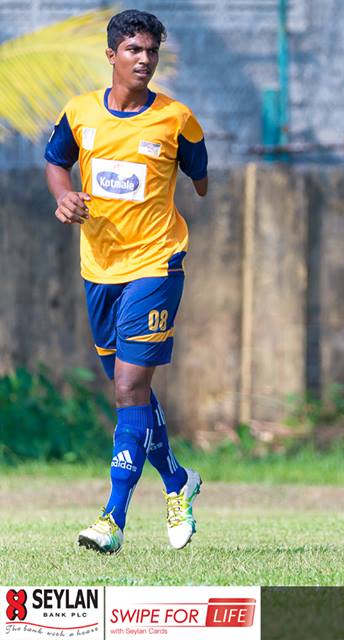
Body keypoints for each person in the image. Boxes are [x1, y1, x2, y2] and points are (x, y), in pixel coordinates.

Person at [43, 9, 208, 553]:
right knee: (131, 391)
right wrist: (64, 196)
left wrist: (189, 178)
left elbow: (200, 176)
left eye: (152, 51)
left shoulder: (176, 118)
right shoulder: (80, 113)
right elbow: (55, 162)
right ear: (111, 55)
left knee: (128, 389)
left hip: (157, 265)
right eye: (134, 50)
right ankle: (178, 480)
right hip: (99, 270)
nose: (145, 60)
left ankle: (112, 519)